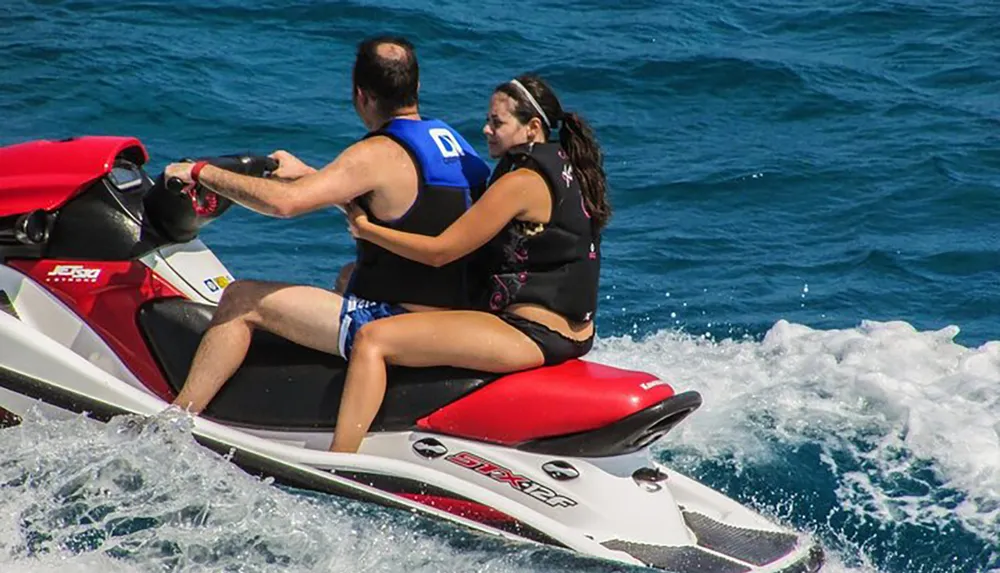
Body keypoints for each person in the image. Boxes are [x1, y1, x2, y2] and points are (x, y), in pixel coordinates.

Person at [162, 36, 490, 417]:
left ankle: (175, 421)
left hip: (402, 322)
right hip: (457, 314)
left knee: (241, 298)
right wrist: (310, 176)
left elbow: (284, 204)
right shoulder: (452, 143)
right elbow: (413, 208)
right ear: (416, 88)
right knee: (347, 277)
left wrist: (202, 173)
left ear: (361, 96)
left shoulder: (375, 153)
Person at [337, 74, 610, 453]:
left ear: (532, 127)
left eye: (497, 122)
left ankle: (340, 459)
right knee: (361, 282)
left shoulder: (523, 181)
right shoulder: (569, 166)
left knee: (373, 339)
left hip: (531, 334)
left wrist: (367, 230)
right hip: (572, 329)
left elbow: (440, 251)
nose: (485, 129)